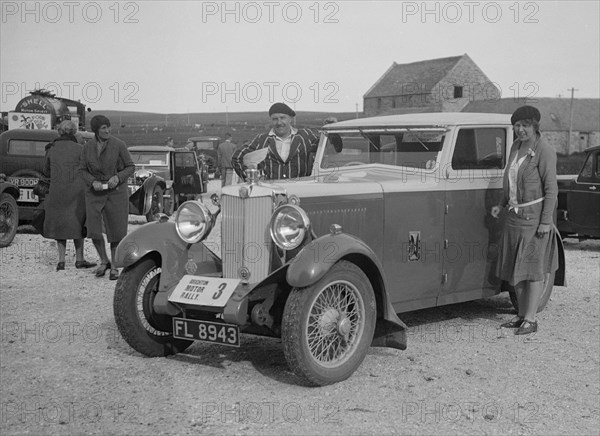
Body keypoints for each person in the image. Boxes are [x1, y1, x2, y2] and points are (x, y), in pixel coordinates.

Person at [491, 105, 558, 335]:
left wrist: (546, 222)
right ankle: (521, 315)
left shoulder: (544, 151)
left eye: (525, 126)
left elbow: (551, 190)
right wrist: (501, 205)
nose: (521, 130)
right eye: (517, 126)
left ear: (535, 126)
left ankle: (531, 319)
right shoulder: (515, 147)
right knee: (514, 269)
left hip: (533, 219)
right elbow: (509, 179)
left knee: (531, 270)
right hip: (513, 217)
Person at [79, 115, 135, 280]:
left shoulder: (119, 145)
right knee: (94, 230)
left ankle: (115, 266)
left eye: (108, 126)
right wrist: (92, 181)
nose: (107, 130)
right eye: (103, 128)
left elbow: (131, 167)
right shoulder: (87, 147)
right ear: (96, 130)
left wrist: (117, 177)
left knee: (116, 230)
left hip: (115, 192)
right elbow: (82, 169)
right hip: (95, 192)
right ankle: (104, 261)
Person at [43, 120, 96, 271]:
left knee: (60, 224)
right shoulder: (81, 149)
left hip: (57, 191)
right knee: (77, 223)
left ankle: (61, 261)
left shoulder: (51, 149)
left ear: (59, 131)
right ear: (74, 132)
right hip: (77, 191)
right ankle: (79, 259)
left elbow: (46, 171)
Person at [232, 103, 319, 181]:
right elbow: (237, 157)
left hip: (300, 192)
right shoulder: (261, 139)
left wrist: (331, 127)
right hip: (270, 192)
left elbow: (326, 146)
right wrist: (248, 176)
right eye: (275, 119)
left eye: (282, 118)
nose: (279, 122)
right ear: (271, 120)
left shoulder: (305, 136)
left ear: (290, 119)